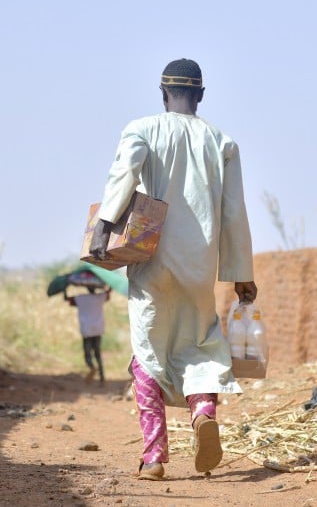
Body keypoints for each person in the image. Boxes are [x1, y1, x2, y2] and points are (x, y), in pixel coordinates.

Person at [89, 58, 257, 480]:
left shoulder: (142, 128)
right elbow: (234, 213)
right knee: (199, 344)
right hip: (199, 266)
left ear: (163, 94)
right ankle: (202, 413)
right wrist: (241, 272)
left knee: (148, 350)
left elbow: (124, 174)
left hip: (150, 258)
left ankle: (154, 457)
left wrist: (103, 228)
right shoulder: (223, 142)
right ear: (200, 95)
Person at [64, 285, 110, 385]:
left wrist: (64, 288)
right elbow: (108, 294)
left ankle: (92, 367)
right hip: (98, 329)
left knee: (87, 354)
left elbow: (67, 299)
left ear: (87, 288)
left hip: (86, 330)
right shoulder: (100, 297)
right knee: (98, 354)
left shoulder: (81, 298)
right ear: (94, 288)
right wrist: (108, 285)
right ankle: (102, 377)